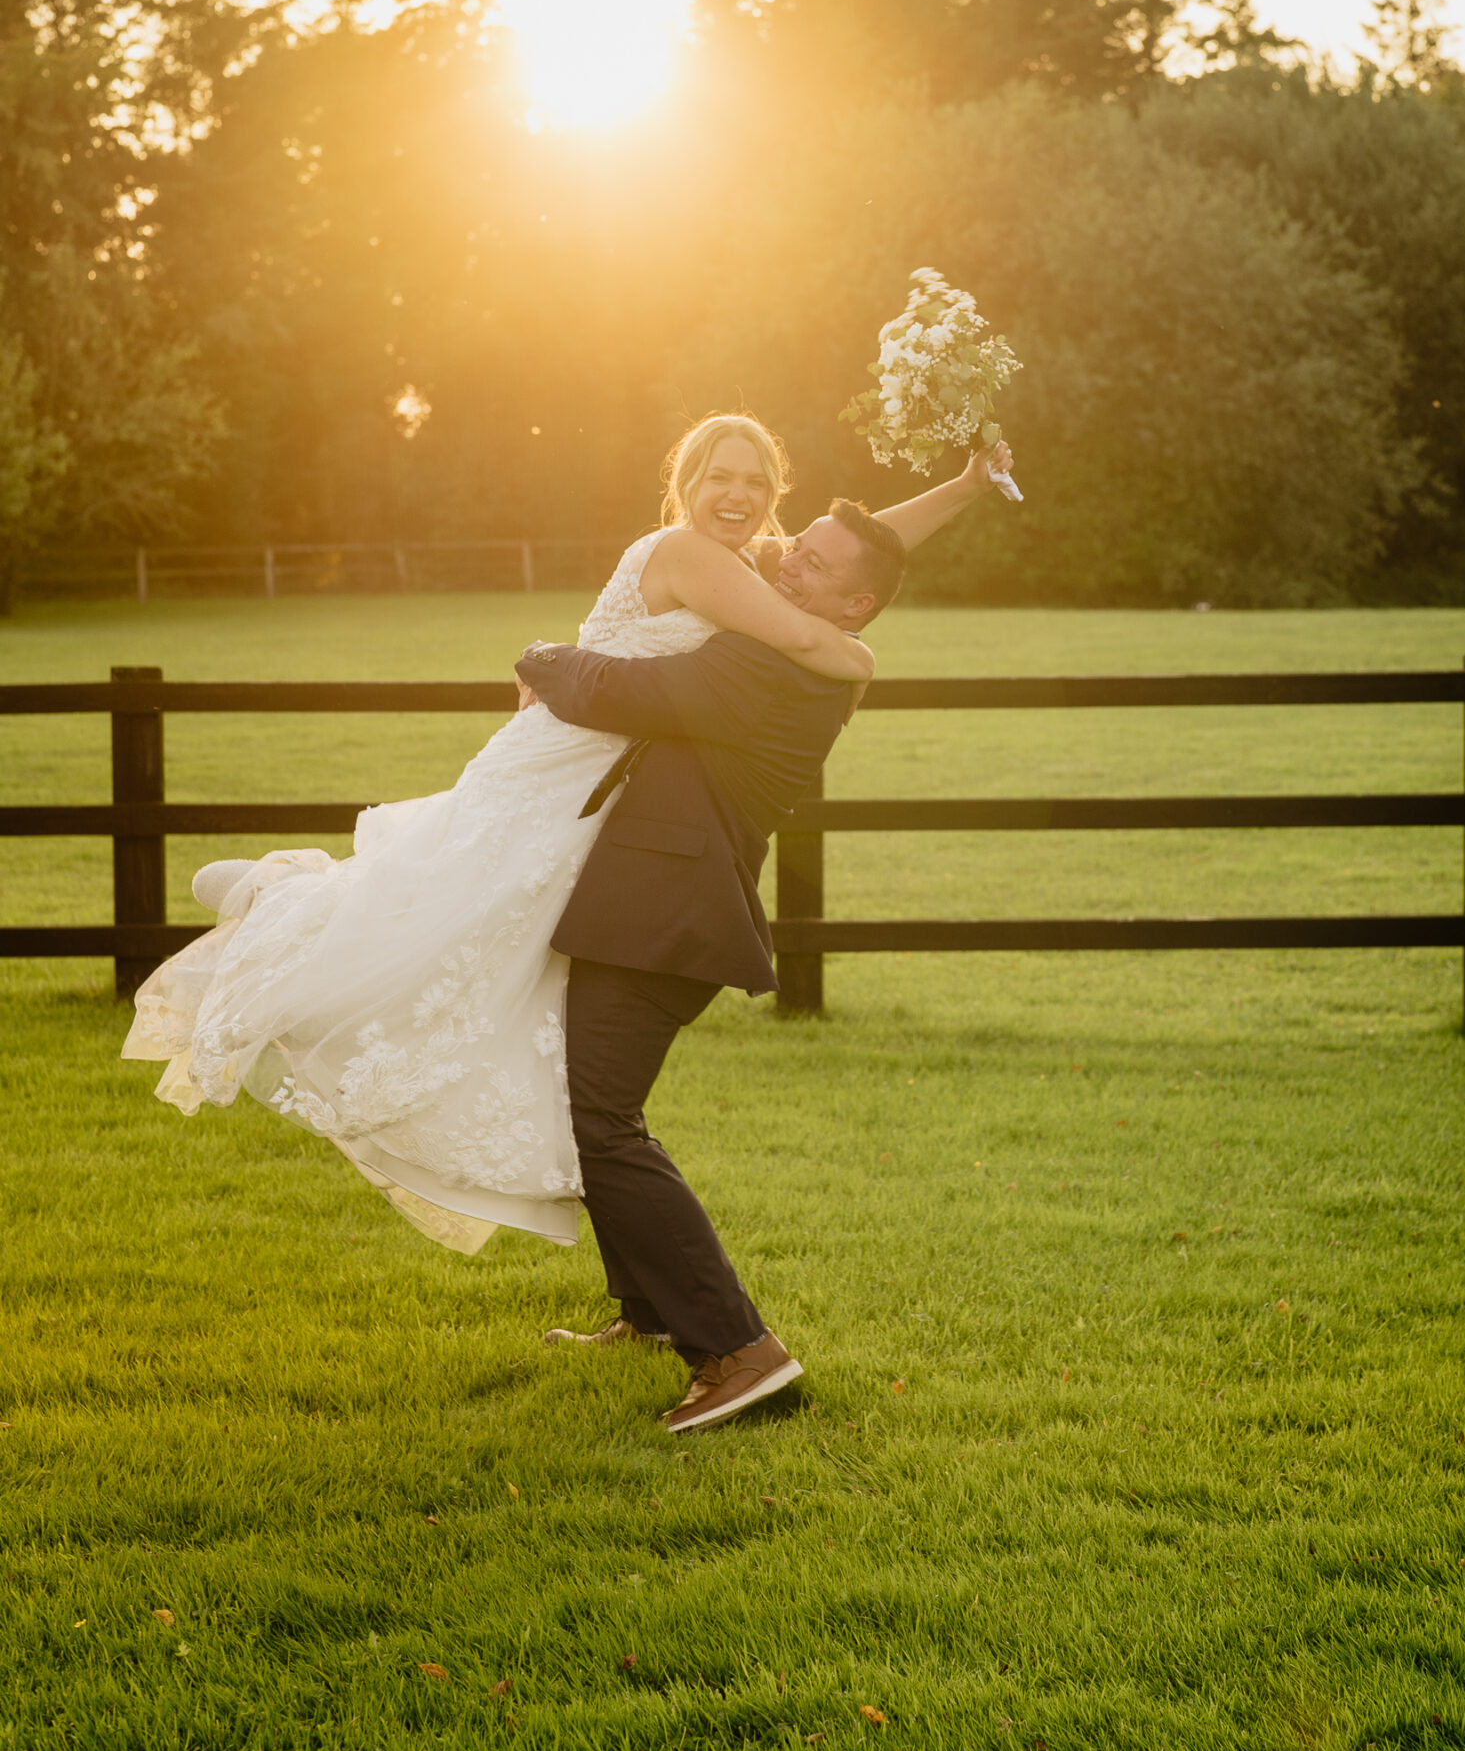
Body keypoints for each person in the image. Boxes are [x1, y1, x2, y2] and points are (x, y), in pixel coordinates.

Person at [120, 415, 1013, 1274]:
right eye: (718, 476)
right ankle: (286, 906)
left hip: (603, 783)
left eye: (756, 482)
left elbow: (856, 548)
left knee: (479, 943)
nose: (737, 494)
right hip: (566, 753)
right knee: (442, 906)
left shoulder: (755, 561)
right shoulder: (690, 555)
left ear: (776, 497)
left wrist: (965, 487)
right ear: (685, 482)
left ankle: (299, 910)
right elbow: (808, 624)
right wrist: (854, 655)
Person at [516, 494, 910, 1433]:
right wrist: (968, 484)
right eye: (796, 547)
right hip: (651, 908)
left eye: (814, 566)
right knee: (597, 1112)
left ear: (854, 607)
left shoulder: (770, 666)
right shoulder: (796, 650)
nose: (785, 566)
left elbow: (616, 692)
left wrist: (536, 657)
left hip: (663, 920)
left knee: (597, 1118)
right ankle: (650, 1314)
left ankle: (737, 1351)